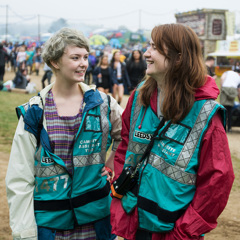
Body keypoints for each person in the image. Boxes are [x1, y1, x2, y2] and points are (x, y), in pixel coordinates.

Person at [110, 24, 234, 240]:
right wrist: (122, 194)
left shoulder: (205, 113)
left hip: (174, 231)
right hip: (135, 221)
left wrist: (184, 230)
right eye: (149, 46)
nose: (147, 53)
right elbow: (125, 146)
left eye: (156, 48)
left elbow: (217, 181)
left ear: (179, 58)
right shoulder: (139, 98)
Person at [6, 27, 123, 240]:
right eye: (75, 57)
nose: (83, 64)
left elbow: (129, 135)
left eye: (86, 57)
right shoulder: (34, 112)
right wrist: (25, 233)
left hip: (97, 221)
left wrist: (114, 162)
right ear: (54, 62)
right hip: (50, 224)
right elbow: (19, 177)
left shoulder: (103, 103)